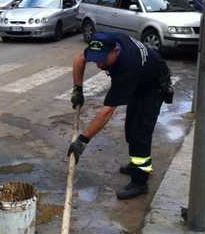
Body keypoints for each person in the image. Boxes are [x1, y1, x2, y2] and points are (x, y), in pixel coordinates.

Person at [68, 32, 172, 200]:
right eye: (96, 59)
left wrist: (83, 140)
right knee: (130, 127)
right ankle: (136, 164)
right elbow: (80, 59)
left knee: (140, 133)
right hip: (139, 83)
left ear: (115, 51)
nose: (99, 64)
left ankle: (140, 181)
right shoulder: (105, 42)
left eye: (103, 60)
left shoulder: (128, 66)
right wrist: (77, 89)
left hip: (153, 86)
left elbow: (107, 111)